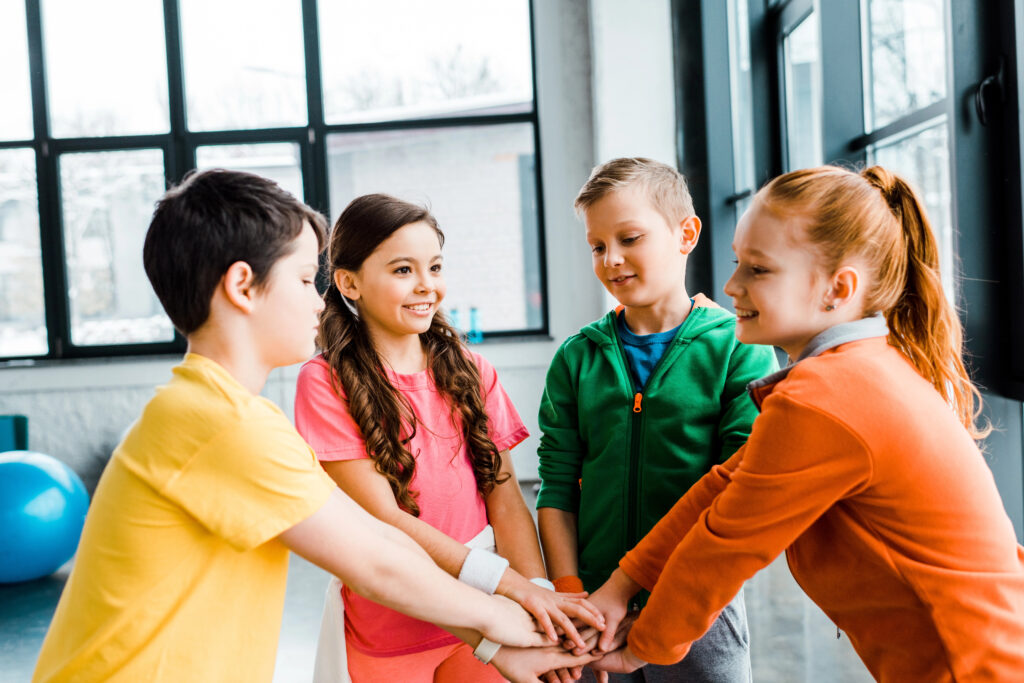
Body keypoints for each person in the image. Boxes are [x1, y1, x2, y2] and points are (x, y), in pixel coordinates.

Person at [32, 170, 597, 683]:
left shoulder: (224, 415)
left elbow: (378, 540)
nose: (317, 300)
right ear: (241, 285)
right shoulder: (219, 424)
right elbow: (375, 562)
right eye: (306, 280)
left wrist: (497, 636)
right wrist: (511, 621)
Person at [583, 165, 1024, 681]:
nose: (730, 285)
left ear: (838, 288)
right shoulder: (859, 369)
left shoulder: (827, 397)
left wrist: (641, 647)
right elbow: (721, 489)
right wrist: (620, 587)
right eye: (737, 264)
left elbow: (726, 545)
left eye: (759, 270)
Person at [293, 192, 604, 683]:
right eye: (402, 270)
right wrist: (511, 589)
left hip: (488, 618)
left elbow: (504, 496)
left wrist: (537, 596)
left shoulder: (471, 369)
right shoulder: (323, 381)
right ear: (350, 282)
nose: (426, 286)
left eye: (434, 268)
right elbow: (384, 518)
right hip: (392, 628)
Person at [536, 157, 777, 682]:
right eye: (598, 246)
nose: (611, 259)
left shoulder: (740, 348)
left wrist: (673, 596)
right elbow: (556, 487)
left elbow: (736, 492)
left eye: (630, 238)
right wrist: (570, 592)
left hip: (699, 610)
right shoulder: (576, 359)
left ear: (685, 233)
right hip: (594, 609)